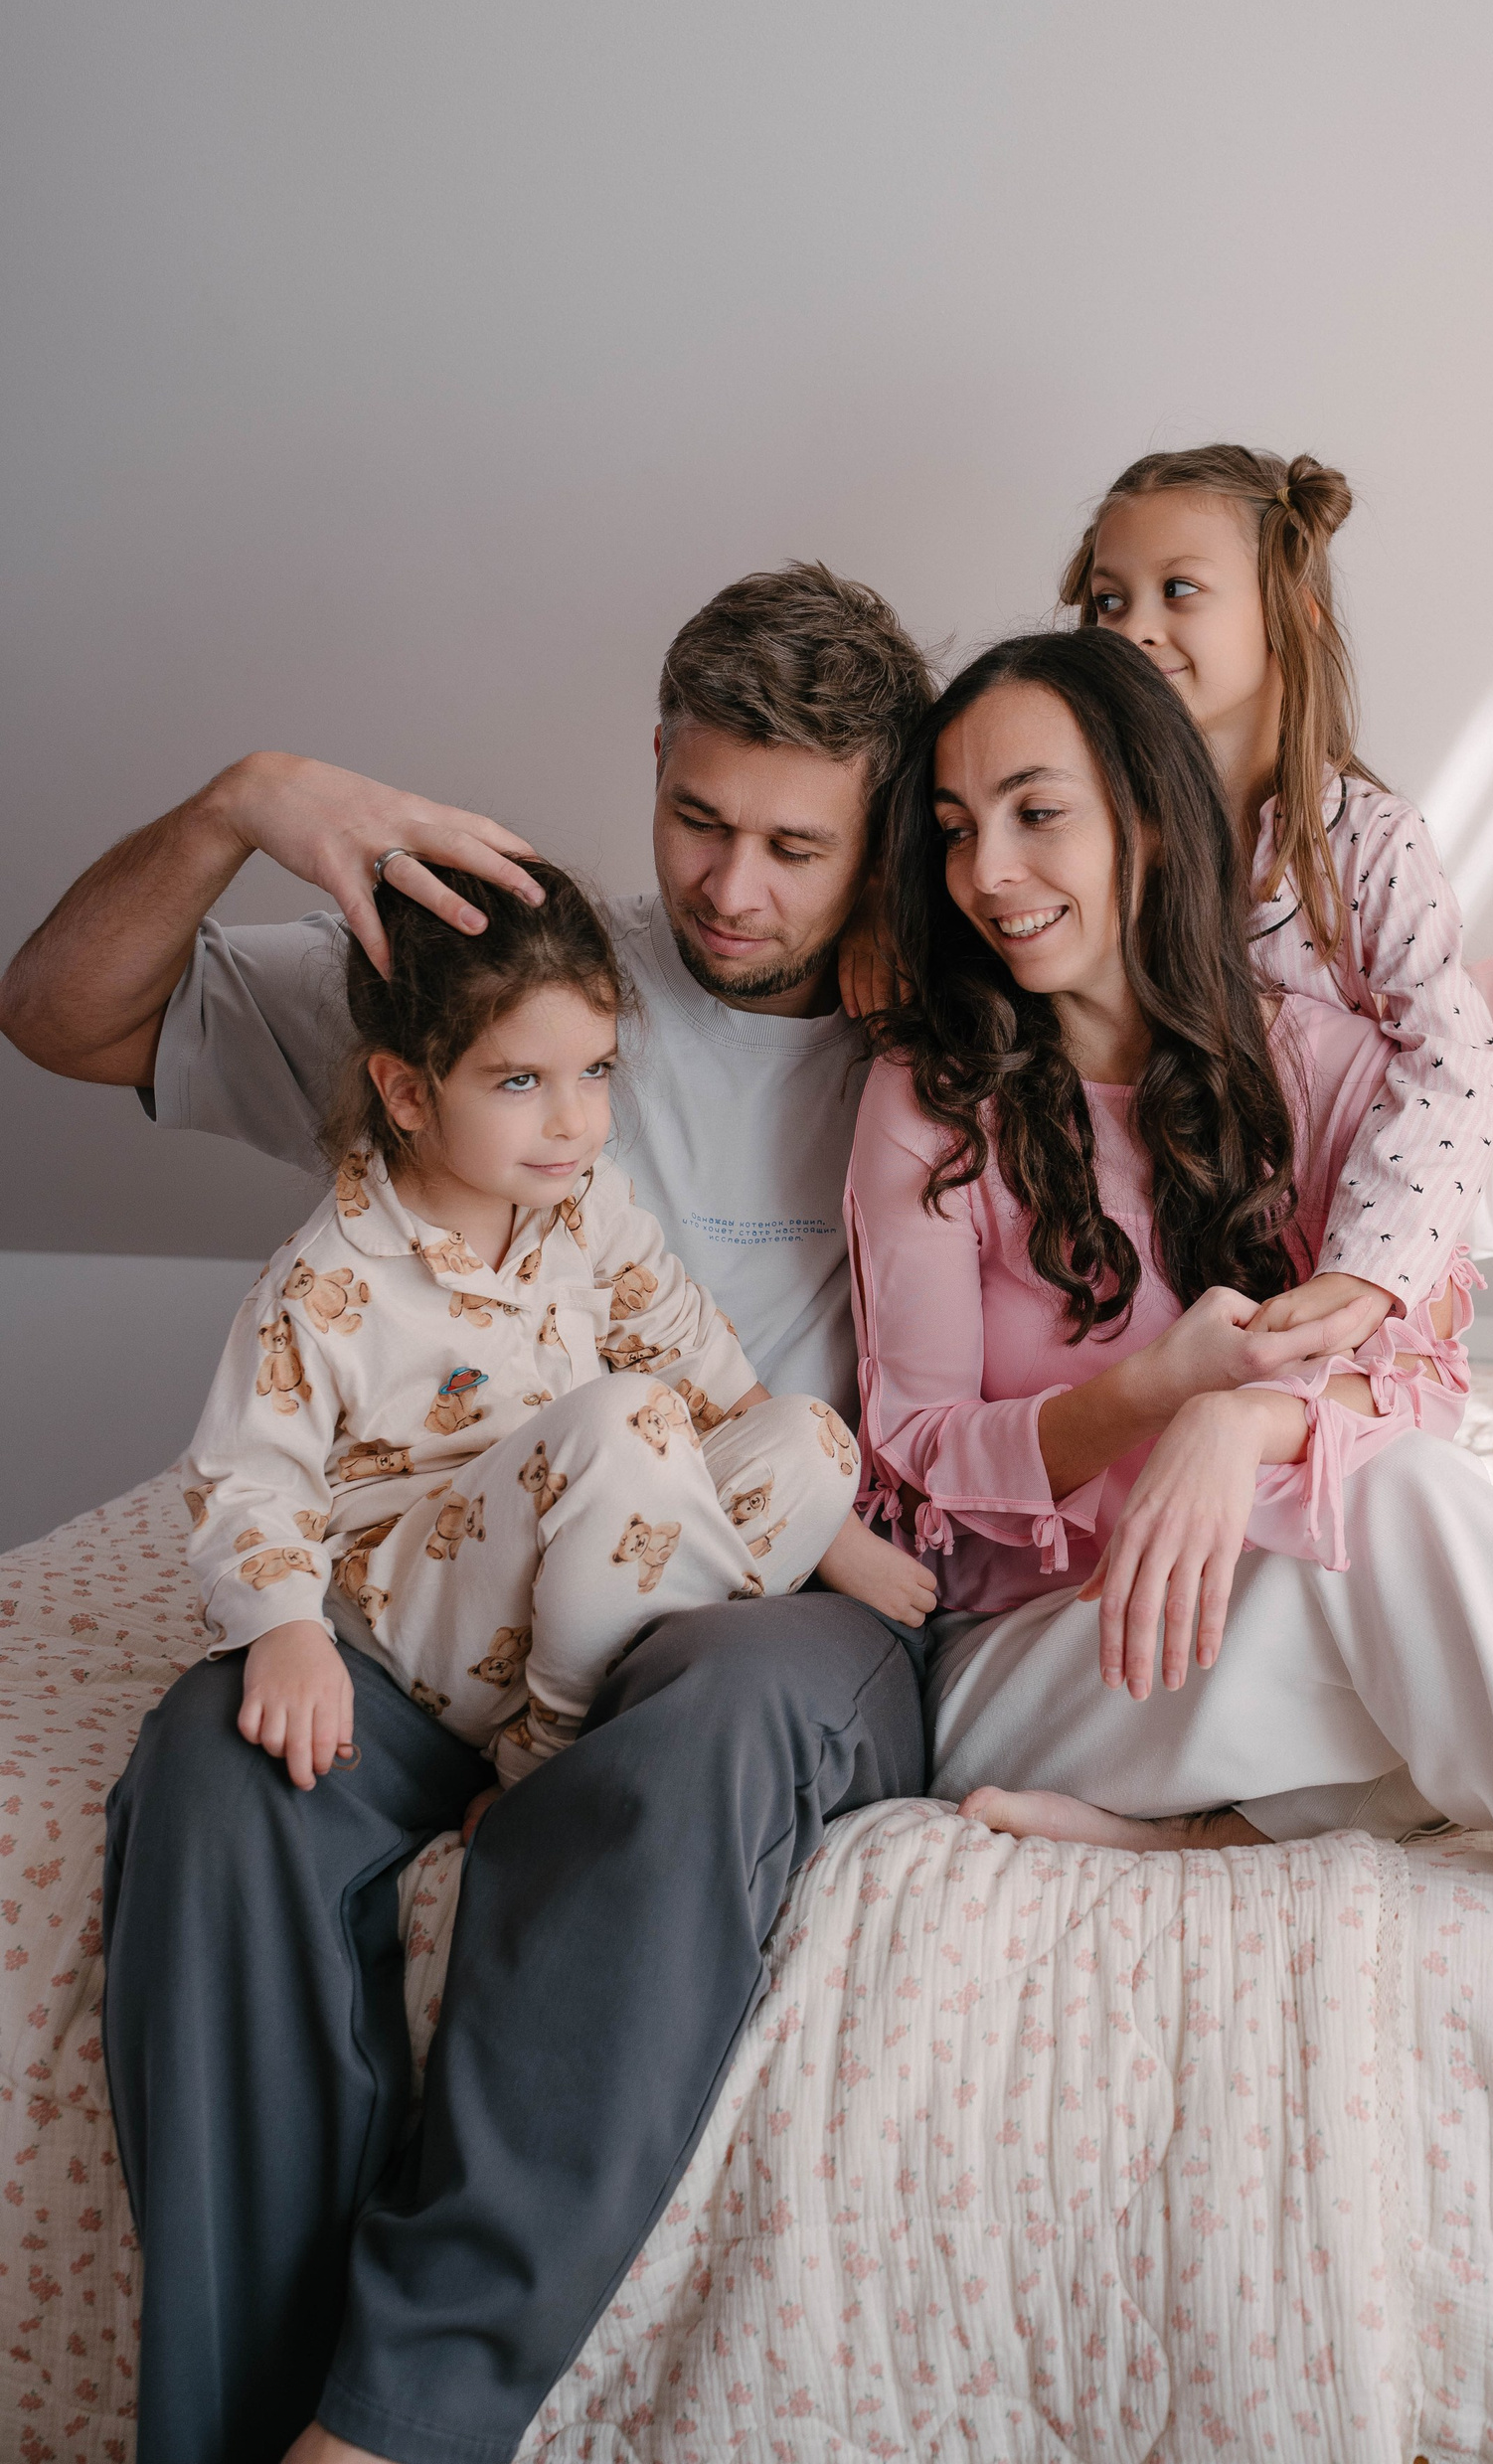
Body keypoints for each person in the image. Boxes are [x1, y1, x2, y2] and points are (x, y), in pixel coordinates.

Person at [0, 564, 960, 2464]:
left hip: (762, 1592)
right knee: (221, 1760)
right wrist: (239, 802)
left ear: (882, 839)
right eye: (698, 818)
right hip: (464, 1548)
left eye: (795, 847)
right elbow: (55, 1014)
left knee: (693, 1740)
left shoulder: (956, 1033)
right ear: (654, 762)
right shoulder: (508, 981)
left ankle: (405, 2419)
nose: (732, 887)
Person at [844, 628, 1493, 2041]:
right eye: (957, 828)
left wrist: (1245, 1420)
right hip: (1058, 1660)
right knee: (1400, 1514)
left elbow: (1423, 1369)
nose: (987, 872)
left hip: (1291, 1606)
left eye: (1037, 814)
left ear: (1149, 819)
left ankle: (1253, 1823)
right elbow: (914, 1452)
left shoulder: (1314, 1056)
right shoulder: (930, 1100)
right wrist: (1156, 1392)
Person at [190, 856, 931, 1808]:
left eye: (595, 1071)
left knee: (813, 1440)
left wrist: (831, 1529)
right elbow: (250, 1475)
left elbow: (686, 1343)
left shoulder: (585, 1202)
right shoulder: (328, 1281)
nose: (575, 1121)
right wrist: (284, 1631)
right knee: (628, 1421)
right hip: (426, 1620)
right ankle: (544, 1769)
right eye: (520, 1082)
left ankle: (625, 1688)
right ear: (408, 1093)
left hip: (579, 1586)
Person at [1061, 439, 1493, 1364]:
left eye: (1179, 589)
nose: (1131, 630)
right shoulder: (1089, 834)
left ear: (1288, 616)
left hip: (1348, 1260)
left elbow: (1453, 1063)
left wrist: (1362, 1277)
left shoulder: (1367, 843)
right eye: (1109, 600)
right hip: (1172, 1266)